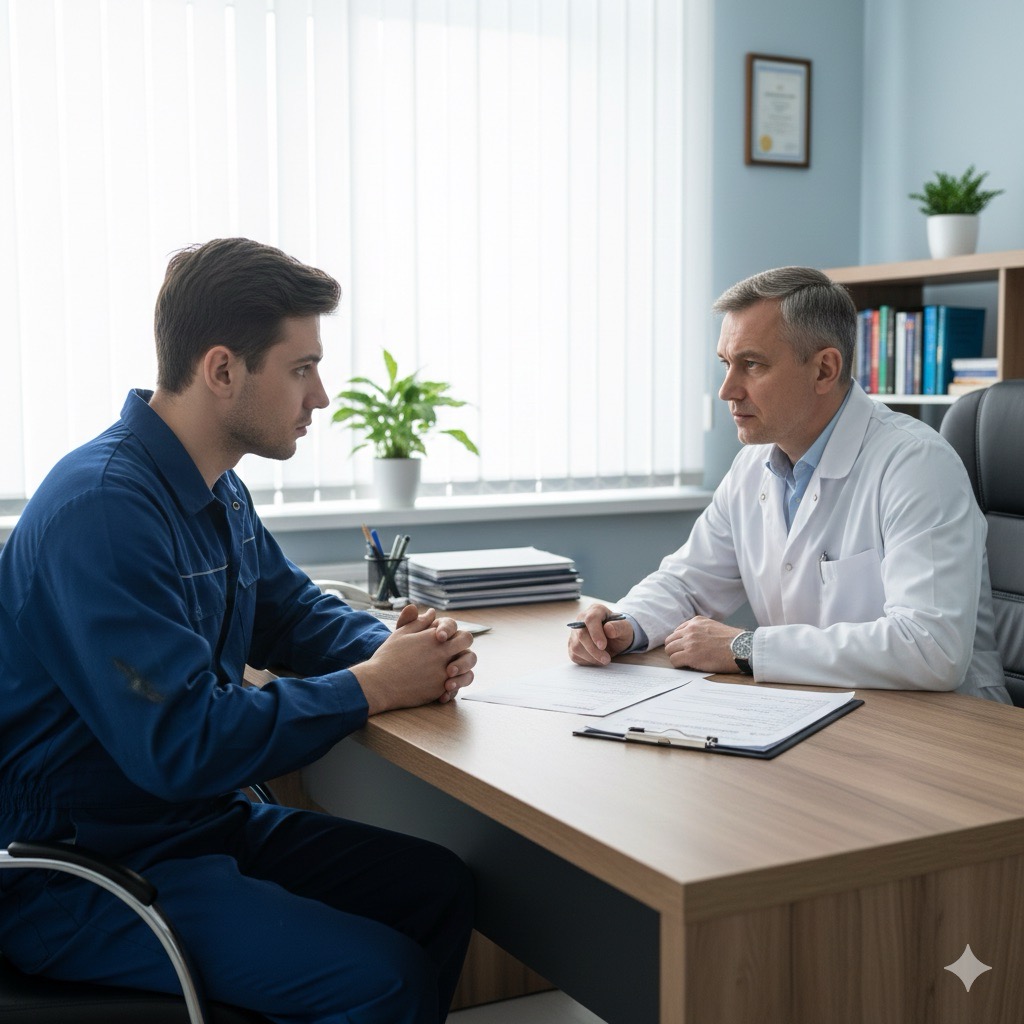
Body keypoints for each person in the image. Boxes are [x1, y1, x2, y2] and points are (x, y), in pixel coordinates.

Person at [0, 238, 478, 1022]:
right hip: (82, 870)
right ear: (222, 370)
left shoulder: (214, 488)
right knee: (385, 979)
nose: (320, 396)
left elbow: (290, 614)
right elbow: (182, 742)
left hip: (191, 828)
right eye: (301, 369)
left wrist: (404, 652)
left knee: (436, 888)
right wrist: (372, 686)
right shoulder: (104, 510)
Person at [569, 266, 1010, 704]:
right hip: (818, 706)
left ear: (824, 370)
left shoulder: (917, 464)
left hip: (949, 724)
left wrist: (746, 648)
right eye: (726, 364)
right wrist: (626, 624)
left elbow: (930, 647)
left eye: (751, 364)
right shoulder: (753, 465)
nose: (727, 390)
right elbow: (689, 582)